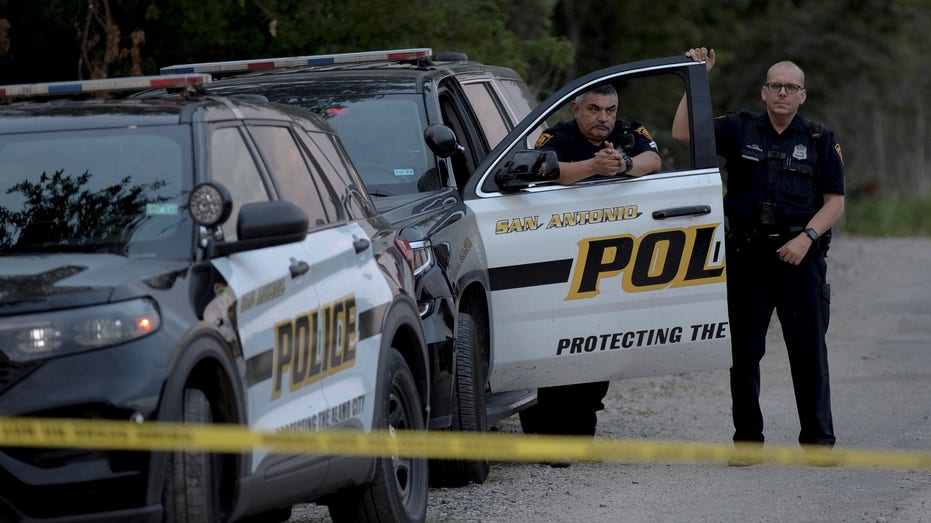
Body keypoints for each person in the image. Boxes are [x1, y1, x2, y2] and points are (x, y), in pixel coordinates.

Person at [672, 47, 845, 458]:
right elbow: (683, 133)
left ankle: (818, 442)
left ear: (803, 95)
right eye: (776, 86)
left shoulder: (820, 139)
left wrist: (806, 238)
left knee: (808, 354)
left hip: (800, 258)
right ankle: (748, 441)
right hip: (747, 257)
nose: (783, 93)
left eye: (791, 87)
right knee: (744, 356)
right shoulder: (739, 128)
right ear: (763, 92)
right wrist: (694, 76)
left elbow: (834, 202)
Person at [520, 84, 661, 465]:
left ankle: (581, 433)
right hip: (563, 256)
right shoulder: (557, 137)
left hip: (611, 261)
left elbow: (653, 160)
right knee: (560, 345)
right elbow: (540, 170)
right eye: (595, 109)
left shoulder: (628, 133)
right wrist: (593, 168)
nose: (603, 118)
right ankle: (547, 436)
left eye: (610, 110)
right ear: (576, 109)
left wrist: (625, 165)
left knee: (602, 345)